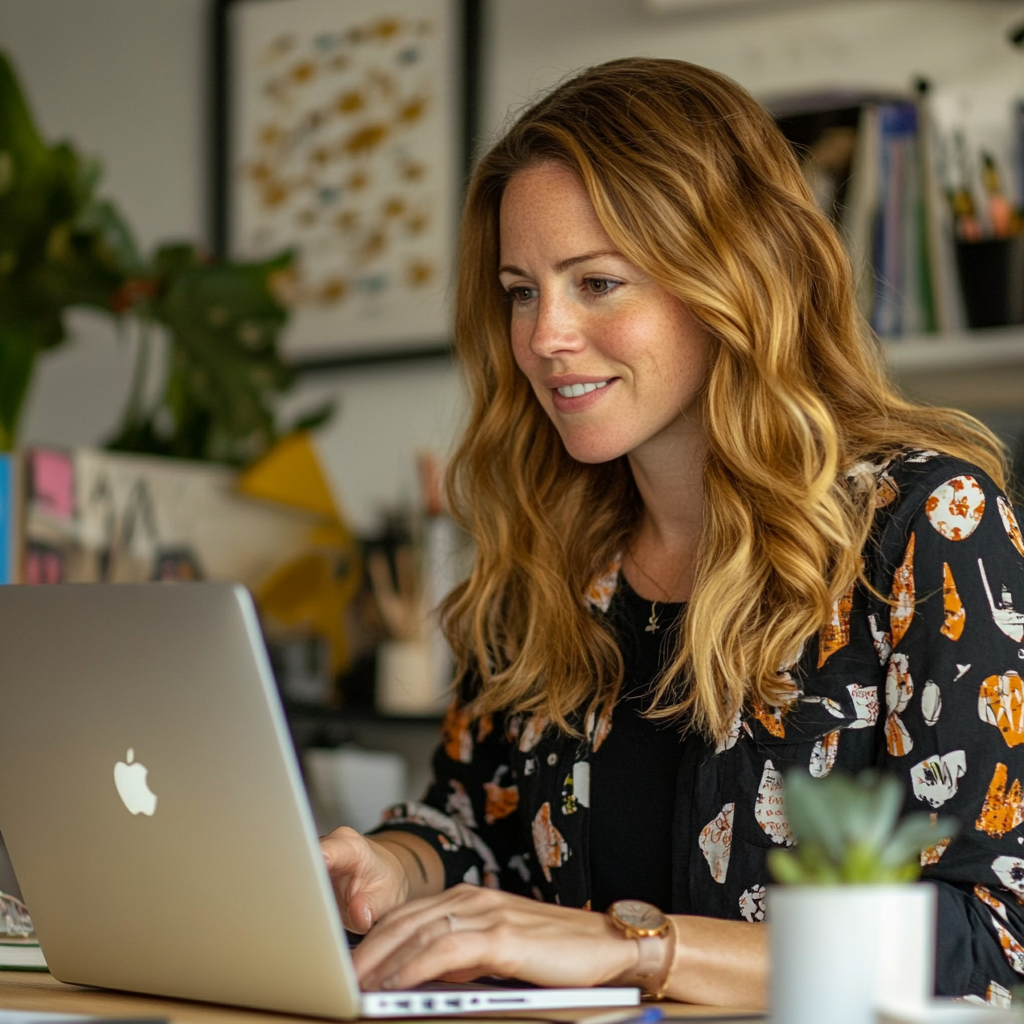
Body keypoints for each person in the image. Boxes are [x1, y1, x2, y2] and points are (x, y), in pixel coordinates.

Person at [320, 57, 1024, 1009]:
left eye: (597, 282)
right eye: (521, 290)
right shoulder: (551, 553)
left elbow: (991, 935)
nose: (542, 337)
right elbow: (474, 825)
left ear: (733, 278)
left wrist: (634, 948)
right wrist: (395, 866)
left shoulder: (926, 528)